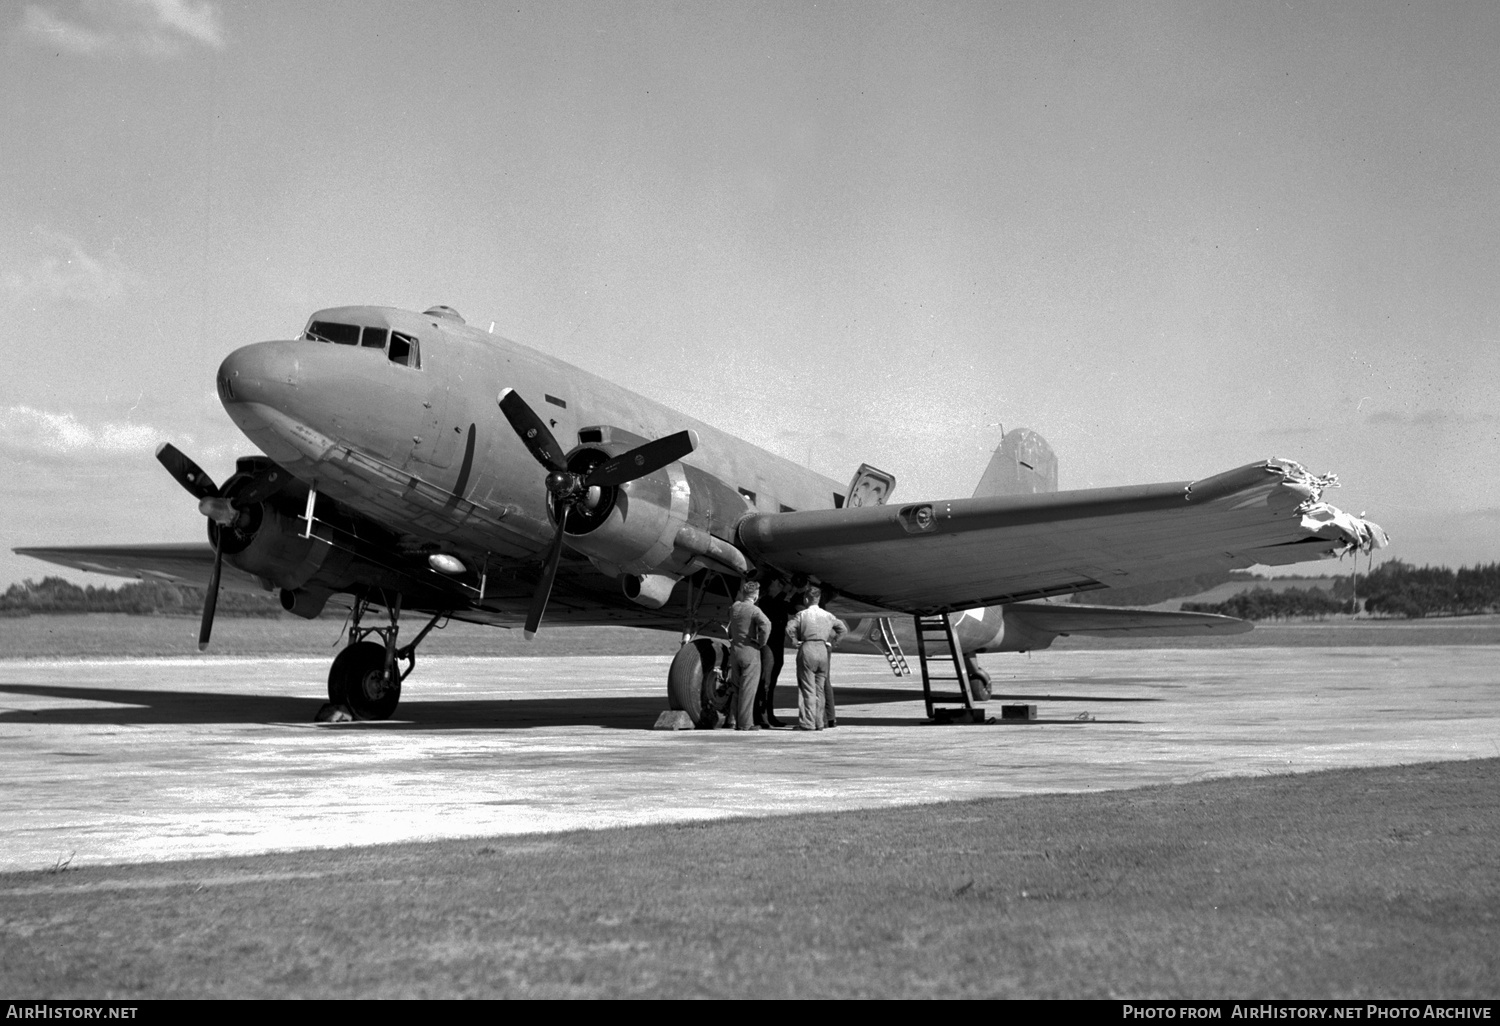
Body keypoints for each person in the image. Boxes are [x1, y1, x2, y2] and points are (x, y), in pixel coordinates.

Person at [784, 585, 847, 731]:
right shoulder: (828, 615)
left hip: (808, 648)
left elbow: (789, 628)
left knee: (807, 688)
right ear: (818, 599)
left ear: (806, 599)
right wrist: (834, 642)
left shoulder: (802, 615)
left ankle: (807, 722)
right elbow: (842, 629)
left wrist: (794, 641)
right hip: (823, 650)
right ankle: (820, 722)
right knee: (820, 689)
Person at [726, 580, 772, 731]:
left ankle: (732, 720)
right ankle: (746, 724)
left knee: (736, 688)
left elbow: (731, 628)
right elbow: (766, 624)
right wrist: (761, 642)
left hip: (735, 651)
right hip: (750, 652)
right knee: (748, 690)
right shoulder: (754, 610)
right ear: (756, 596)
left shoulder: (734, 607)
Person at [756, 578, 795, 728]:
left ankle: (769, 714)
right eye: (777, 583)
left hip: (777, 646)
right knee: (765, 681)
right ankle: (762, 715)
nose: (780, 586)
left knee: (771, 682)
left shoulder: (779, 601)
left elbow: (793, 608)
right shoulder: (765, 601)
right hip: (768, 646)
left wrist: (797, 592)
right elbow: (775, 606)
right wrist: (785, 591)